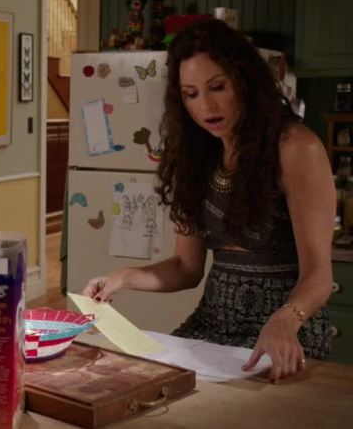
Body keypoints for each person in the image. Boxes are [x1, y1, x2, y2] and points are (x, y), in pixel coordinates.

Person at [82, 20, 334, 382]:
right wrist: (121, 278)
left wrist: (287, 318)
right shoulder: (196, 156)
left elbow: (319, 275)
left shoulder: (296, 147)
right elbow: (186, 267)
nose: (206, 106)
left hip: (285, 330)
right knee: (149, 388)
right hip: (211, 325)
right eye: (191, 94)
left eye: (217, 87)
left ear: (245, 81)